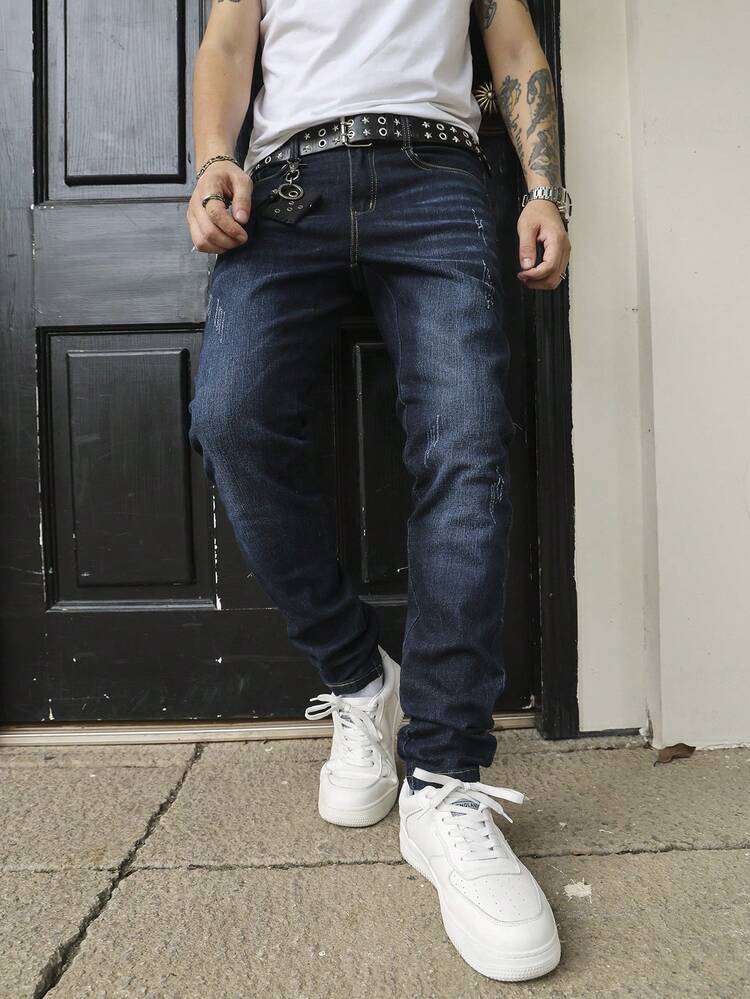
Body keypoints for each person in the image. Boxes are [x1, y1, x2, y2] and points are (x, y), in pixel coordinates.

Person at [186, 0, 572, 982]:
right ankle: (360, 677)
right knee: (231, 418)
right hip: (285, 183)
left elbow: (511, 40)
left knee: (467, 444)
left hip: (439, 174)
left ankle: (442, 778)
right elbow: (228, 39)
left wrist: (544, 189)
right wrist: (213, 159)